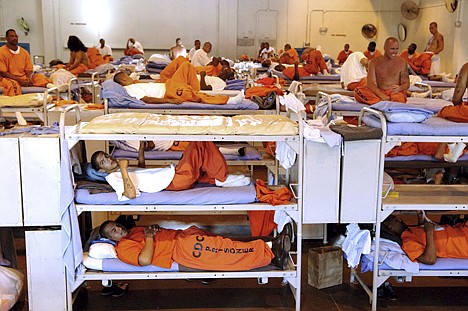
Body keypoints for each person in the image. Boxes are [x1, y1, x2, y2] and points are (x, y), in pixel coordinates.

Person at [99, 219, 292, 270]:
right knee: (226, 253)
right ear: (111, 239)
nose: (118, 229)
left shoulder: (133, 232)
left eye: (116, 225)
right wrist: (150, 236)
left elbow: (152, 236)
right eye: (113, 231)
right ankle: (271, 251)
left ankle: (270, 245)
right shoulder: (122, 248)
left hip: (183, 237)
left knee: (226, 243)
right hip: (181, 249)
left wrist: (153, 230)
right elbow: (144, 259)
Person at [91, 141, 250, 201]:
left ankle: (219, 179)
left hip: (171, 176)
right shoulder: (113, 178)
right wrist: (124, 169)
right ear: (101, 169)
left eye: (106, 155)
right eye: (103, 161)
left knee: (200, 165)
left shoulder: (119, 170)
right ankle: (222, 177)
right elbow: (130, 194)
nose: (108, 158)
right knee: (198, 143)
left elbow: (142, 172)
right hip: (173, 181)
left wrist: (140, 151)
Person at [113, 60, 245, 105]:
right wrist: (169, 101)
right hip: (168, 92)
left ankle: (195, 93)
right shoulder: (130, 89)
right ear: (124, 80)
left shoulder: (134, 84)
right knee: (193, 95)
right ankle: (228, 101)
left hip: (169, 84)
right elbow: (147, 99)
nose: (130, 77)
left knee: (186, 66)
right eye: (127, 76)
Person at [382, 213, 468, 265]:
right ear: (390, 228)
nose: (400, 220)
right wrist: (429, 232)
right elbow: (430, 259)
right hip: (464, 243)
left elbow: (423, 236)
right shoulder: (407, 241)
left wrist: (421, 220)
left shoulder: (409, 231)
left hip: (463, 229)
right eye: (396, 220)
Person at [354, 37, 409, 105]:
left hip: (395, 93)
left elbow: (406, 83)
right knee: (358, 91)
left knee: (399, 99)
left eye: (396, 49)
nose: (395, 52)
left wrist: (400, 88)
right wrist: (381, 95)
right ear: (385, 48)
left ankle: (383, 104)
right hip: (379, 92)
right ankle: (384, 103)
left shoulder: (402, 62)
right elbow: (370, 84)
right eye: (392, 49)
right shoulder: (374, 62)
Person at [0, 29, 50, 96]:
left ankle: (54, 88)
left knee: (39, 77)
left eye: (16, 36)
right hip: (8, 79)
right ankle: (16, 103)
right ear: (6, 38)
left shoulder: (24, 52)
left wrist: (28, 79)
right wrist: (20, 81)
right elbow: (3, 72)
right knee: (12, 85)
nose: (14, 38)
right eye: (12, 36)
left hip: (24, 78)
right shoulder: (2, 52)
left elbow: (29, 69)